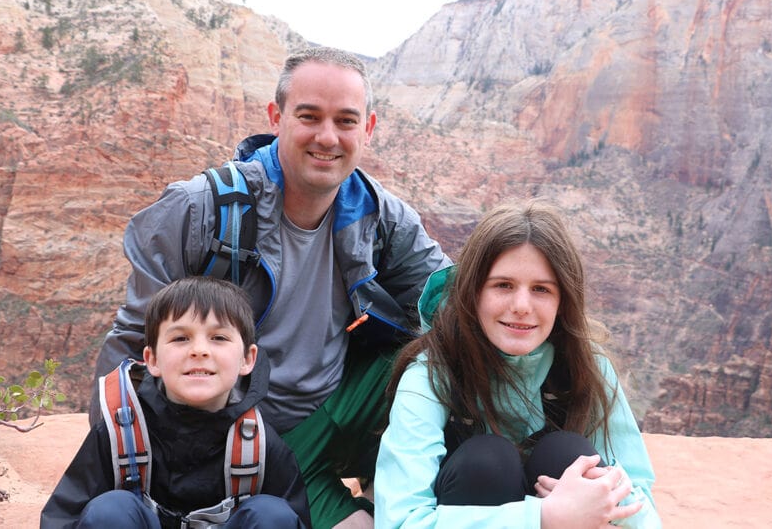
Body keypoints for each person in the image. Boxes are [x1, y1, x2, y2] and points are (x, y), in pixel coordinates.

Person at [91, 47, 450, 529]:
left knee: (442, 355)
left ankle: (395, 490)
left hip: (337, 402)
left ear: (367, 128)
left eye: (345, 121)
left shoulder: (379, 215)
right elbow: (134, 345)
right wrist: (131, 475)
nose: (327, 137)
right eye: (309, 117)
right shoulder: (204, 209)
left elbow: (456, 303)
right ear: (276, 117)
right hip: (244, 436)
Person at [375, 199, 662, 528]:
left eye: (541, 289)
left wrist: (601, 500)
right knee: (486, 464)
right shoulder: (432, 372)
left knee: (570, 457)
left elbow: (640, 498)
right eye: (503, 285)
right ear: (472, 292)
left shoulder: (586, 365)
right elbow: (398, 521)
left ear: (562, 301)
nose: (522, 306)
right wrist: (543, 516)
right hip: (473, 493)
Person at [42, 276, 311, 528]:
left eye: (219, 338)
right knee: (110, 510)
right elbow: (64, 517)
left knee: (271, 515)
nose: (199, 350)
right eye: (180, 338)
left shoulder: (258, 444)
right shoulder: (121, 434)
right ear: (152, 360)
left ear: (247, 359)